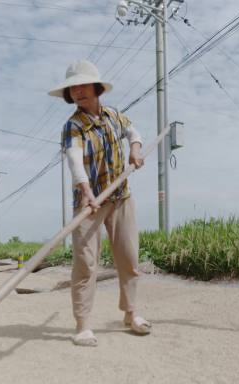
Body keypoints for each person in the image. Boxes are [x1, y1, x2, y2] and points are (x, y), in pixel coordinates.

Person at [49, 59, 151, 347]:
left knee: (129, 259)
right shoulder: (73, 126)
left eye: (82, 85)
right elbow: (74, 159)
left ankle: (131, 315)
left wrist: (134, 150)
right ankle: (83, 326)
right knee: (86, 264)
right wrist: (85, 189)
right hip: (89, 203)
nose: (78, 91)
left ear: (96, 87)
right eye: (72, 88)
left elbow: (134, 132)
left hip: (121, 197)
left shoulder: (114, 116)